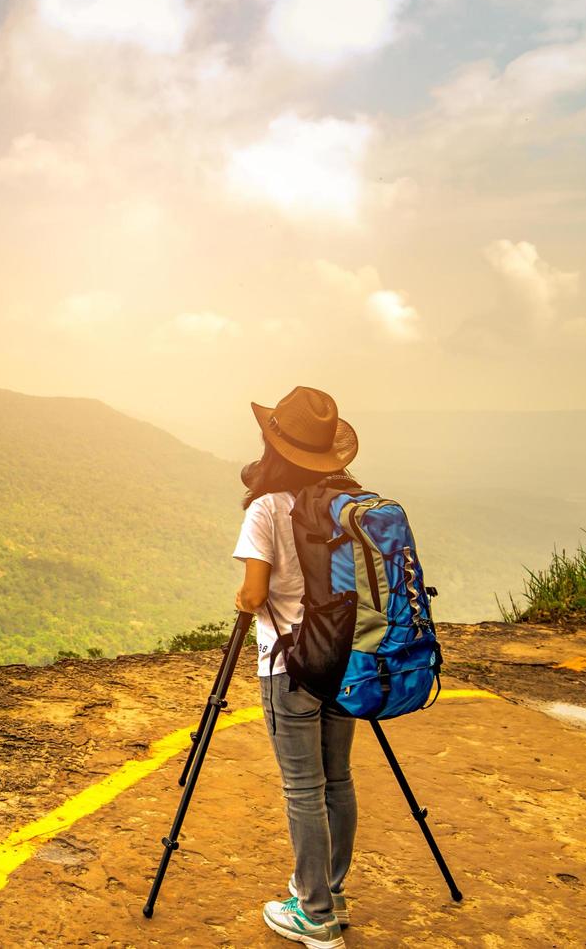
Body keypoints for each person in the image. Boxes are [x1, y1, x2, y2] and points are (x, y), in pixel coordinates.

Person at [233, 386, 359, 949]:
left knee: (302, 789)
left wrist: (243, 598)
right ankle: (331, 892)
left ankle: (313, 914)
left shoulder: (267, 508)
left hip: (288, 666)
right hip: (343, 659)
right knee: (339, 779)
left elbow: (254, 593)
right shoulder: (344, 505)